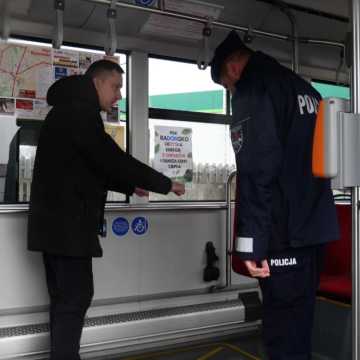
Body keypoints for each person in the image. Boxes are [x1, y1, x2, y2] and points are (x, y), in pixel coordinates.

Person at [27, 59, 185, 360]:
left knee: (64, 301)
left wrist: (129, 187)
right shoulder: (80, 113)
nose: (119, 96)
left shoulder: (67, 110)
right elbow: (112, 159)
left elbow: (89, 167)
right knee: (74, 299)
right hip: (68, 229)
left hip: (55, 228)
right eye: (116, 87)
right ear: (97, 82)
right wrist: (164, 183)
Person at [210, 30, 339, 360]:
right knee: (300, 328)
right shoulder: (306, 89)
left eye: (227, 86)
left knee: (282, 333)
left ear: (233, 68)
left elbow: (256, 171)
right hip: (314, 231)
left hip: (283, 234)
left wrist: (250, 244)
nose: (231, 91)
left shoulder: (255, 89)